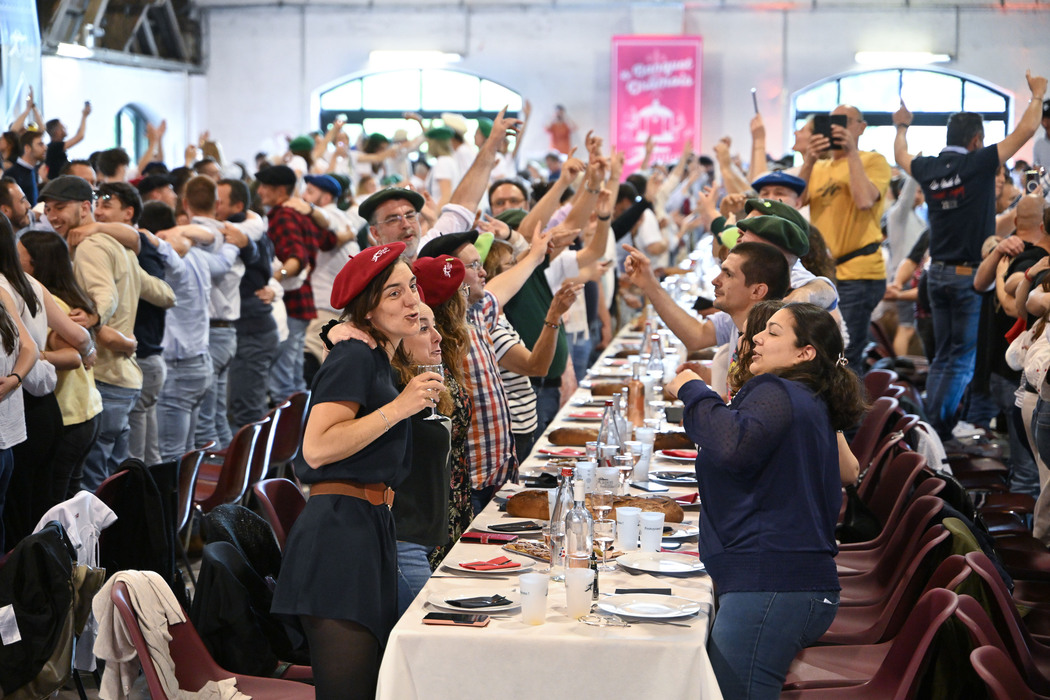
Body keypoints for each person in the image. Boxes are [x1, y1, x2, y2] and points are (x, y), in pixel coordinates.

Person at [666, 302, 865, 700]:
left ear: (804, 353)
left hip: (773, 586)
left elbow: (731, 443)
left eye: (773, 333)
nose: (756, 337)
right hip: (782, 582)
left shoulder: (779, 390)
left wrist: (693, 391)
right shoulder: (805, 396)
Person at [271, 242, 443, 700]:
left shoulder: (377, 355)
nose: (410, 300)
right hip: (337, 541)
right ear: (368, 312)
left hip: (367, 527)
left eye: (411, 287)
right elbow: (318, 446)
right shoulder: (354, 357)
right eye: (393, 294)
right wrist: (402, 408)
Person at [894, 69, 1048, 438]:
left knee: (943, 357)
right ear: (977, 140)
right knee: (960, 361)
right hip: (968, 278)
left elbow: (900, 155)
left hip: (937, 274)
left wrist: (901, 126)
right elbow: (1024, 133)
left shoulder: (929, 166)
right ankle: (936, 433)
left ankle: (931, 428)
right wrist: (1038, 95)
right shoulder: (977, 163)